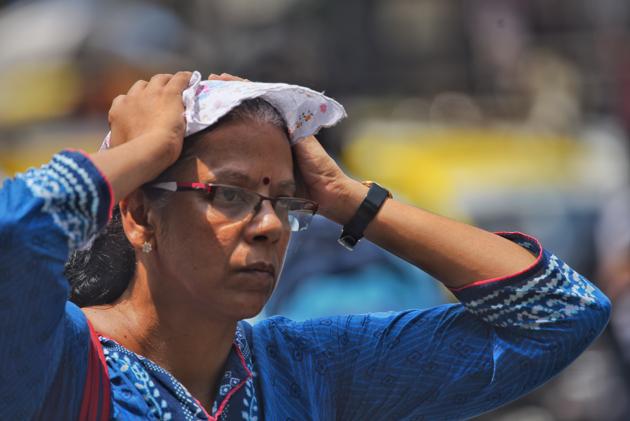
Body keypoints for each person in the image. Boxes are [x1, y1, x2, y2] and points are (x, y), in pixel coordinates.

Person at [0, 71, 611, 420]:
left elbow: (560, 314)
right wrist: (146, 152)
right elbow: (11, 231)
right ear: (138, 215)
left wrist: (347, 198)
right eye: (230, 195)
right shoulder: (58, 360)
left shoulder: (303, 368)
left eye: (287, 202)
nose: (269, 227)